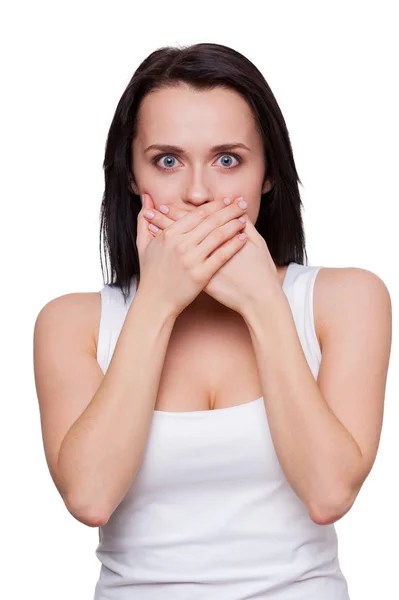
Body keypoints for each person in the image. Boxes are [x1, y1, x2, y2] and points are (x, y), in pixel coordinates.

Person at [33, 42, 392, 599]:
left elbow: (328, 495)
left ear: (267, 174)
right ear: (130, 175)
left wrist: (262, 303)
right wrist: (156, 302)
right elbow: (90, 497)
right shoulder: (70, 323)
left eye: (228, 160)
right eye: (167, 161)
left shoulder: (347, 299)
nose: (198, 193)